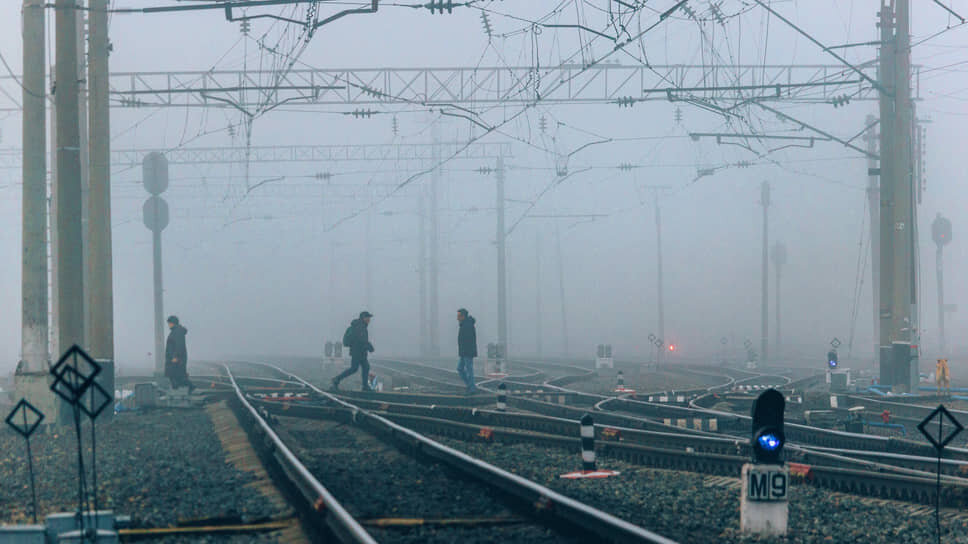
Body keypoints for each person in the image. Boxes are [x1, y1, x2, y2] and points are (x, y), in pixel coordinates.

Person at [332, 311, 375, 391]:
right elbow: (361, 340)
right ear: (363, 318)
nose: (369, 319)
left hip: (360, 352)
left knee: (365, 367)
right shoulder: (360, 326)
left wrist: (367, 346)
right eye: (368, 317)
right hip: (357, 352)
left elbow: (362, 339)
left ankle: (365, 386)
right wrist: (369, 346)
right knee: (354, 368)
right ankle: (337, 379)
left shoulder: (361, 326)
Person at [165, 315, 193, 392]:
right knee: (177, 377)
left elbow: (179, 345)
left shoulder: (177, 332)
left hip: (176, 359)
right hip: (174, 358)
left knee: (176, 376)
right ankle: (180, 391)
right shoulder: (176, 331)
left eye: (169, 323)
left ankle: (190, 388)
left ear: (173, 323)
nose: (168, 325)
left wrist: (176, 356)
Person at [456, 308, 478, 394]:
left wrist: (466, 352)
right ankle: (470, 386)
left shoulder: (467, 325)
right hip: (464, 352)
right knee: (460, 368)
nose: (457, 318)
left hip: (467, 352)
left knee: (469, 370)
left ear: (463, 316)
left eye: (458, 316)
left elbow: (468, 340)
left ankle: (472, 388)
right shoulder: (464, 324)